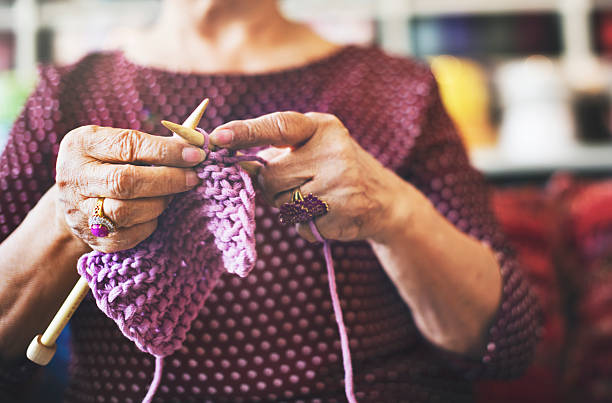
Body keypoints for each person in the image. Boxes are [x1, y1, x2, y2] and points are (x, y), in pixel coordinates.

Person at [0, 0, 540, 402]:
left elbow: (507, 341)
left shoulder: (397, 90)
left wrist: (391, 211)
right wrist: (70, 218)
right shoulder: (69, 97)